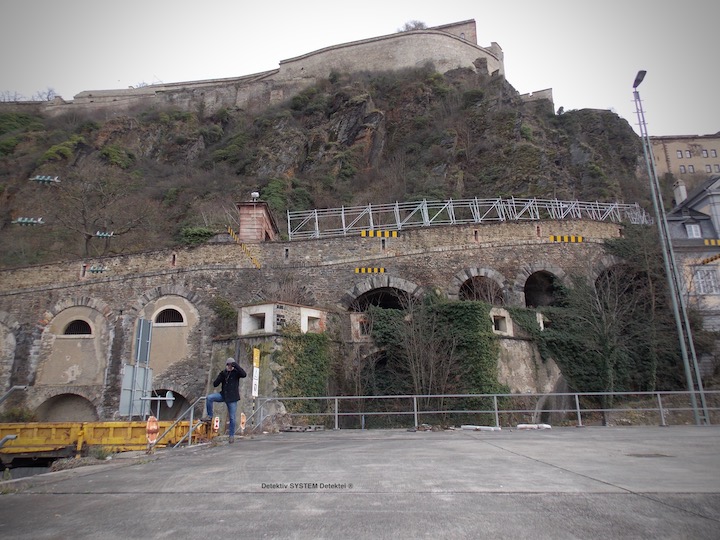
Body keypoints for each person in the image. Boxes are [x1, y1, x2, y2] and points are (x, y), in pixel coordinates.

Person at [203, 358, 247, 443]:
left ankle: (231, 436)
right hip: (223, 395)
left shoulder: (236, 373)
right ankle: (209, 416)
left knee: (232, 418)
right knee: (209, 398)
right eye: (228, 364)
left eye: (231, 365)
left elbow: (244, 374)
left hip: (232, 398)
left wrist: (236, 365)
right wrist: (220, 377)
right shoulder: (223, 373)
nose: (229, 366)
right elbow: (215, 384)